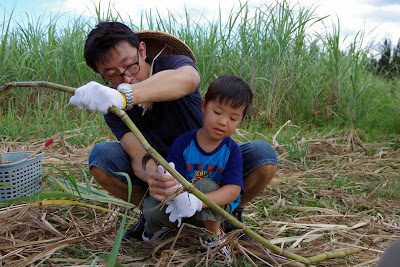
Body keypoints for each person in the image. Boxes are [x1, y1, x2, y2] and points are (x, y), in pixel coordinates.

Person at [69, 21, 278, 241]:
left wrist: (125, 95)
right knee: (102, 158)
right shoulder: (111, 106)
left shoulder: (170, 64)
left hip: (208, 169)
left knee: (262, 156)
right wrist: (156, 176)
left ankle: (228, 213)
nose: (127, 78)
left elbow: (188, 79)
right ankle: (151, 215)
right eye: (112, 75)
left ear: (142, 50)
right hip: (166, 176)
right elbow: (137, 154)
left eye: (130, 65)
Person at [141, 75, 253, 262]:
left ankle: (213, 238)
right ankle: (155, 229)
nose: (223, 122)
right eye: (217, 113)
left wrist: (198, 202)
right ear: (203, 107)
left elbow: (233, 190)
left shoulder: (231, 151)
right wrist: (180, 197)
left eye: (233, 118)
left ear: (240, 120)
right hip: (180, 206)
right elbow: (174, 180)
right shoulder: (183, 143)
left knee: (206, 186)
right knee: (151, 207)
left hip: (210, 210)